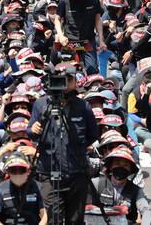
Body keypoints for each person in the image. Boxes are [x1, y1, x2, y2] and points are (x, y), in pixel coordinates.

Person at [27, 63, 98, 225]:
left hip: (77, 172)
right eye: (62, 79)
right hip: (49, 173)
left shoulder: (83, 106)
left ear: (75, 82)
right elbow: (29, 130)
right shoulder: (41, 104)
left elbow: (93, 135)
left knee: (75, 220)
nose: (65, 83)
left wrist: (76, 147)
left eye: (70, 79)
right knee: (54, 220)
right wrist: (34, 129)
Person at [54, 0, 106, 75]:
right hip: (70, 41)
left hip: (88, 40)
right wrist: (60, 35)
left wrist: (101, 40)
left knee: (92, 70)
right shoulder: (64, 1)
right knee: (70, 71)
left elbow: (98, 19)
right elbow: (57, 19)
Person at [0, 154, 47, 225]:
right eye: (13, 170)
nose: (18, 173)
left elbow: (45, 216)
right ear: (8, 172)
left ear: (28, 170)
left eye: (22, 170)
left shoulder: (39, 187)